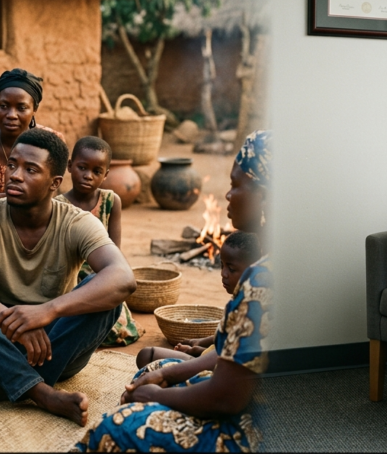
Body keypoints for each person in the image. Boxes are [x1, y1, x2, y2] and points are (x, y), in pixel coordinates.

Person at [0, 128, 136, 426]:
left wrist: (47, 311)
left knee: (106, 296)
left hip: (57, 347)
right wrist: (9, 318)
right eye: (12, 165)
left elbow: (123, 278)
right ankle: (42, 393)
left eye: (30, 170)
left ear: (54, 183)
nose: (15, 176)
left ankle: (0, 386)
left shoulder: (77, 222)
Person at [74, 130, 273, 452]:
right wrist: (169, 379)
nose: (227, 195)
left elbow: (225, 399)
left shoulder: (263, 280)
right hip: (261, 399)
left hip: (257, 429)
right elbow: (234, 358)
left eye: (236, 185)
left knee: (115, 427)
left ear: (264, 196)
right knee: (156, 369)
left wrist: (159, 396)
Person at [54, 136, 141, 347]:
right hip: (69, 278)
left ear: (105, 175)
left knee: (119, 331)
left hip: (101, 276)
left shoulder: (111, 201)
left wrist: (108, 281)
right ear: (69, 166)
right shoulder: (57, 205)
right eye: (82, 167)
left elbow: (115, 251)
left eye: (96, 171)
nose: (88, 176)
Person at [134, 230, 262, 368]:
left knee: (149, 358)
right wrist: (200, 344)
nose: (223, 273)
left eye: (231, 269)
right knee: (146, 355)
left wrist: (191, 358)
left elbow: (227, 359)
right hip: (208, 359)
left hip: (220, 370)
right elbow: (223, 339)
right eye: (222, 265)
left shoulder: (252, 309)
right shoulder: (238, 300)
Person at [0, 69, 65, 195]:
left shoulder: (52, 142)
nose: (11, 115)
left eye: (21, 108)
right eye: (4, 106)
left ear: (35, 109)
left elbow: (48, 196)